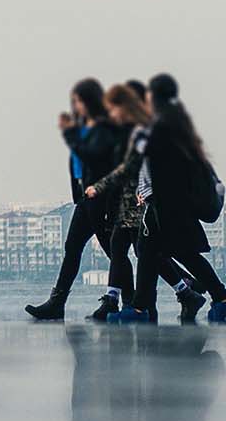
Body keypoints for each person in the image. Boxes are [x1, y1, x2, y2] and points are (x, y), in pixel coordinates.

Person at [26, 80, 133, 322]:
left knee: (113, 250)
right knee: (72, 247)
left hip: (101, 197)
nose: (75, 106)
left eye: (79, 101)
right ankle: (57, 301)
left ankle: (129, 301)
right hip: (84, 197)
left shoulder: (104, 128)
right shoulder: (84, 125)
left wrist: (71, 136)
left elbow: (98, 160)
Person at [138, 72, 223, 321]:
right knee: (167, 252)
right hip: (165, 201)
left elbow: (162, 166)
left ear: (154, 96)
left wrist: (150, 192)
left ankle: (140, 309)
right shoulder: (173, 122)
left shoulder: (164, 125)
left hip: (165, 203)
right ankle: (218, 295)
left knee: (157, 251)